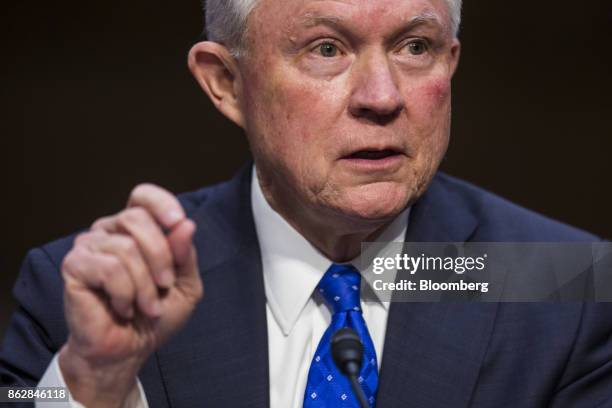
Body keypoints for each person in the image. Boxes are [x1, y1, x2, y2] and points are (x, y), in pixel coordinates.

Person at [1, 0, 611, 407]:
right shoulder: (82, 295)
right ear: (226, 82)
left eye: (415, 47)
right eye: (326, 49)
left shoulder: (565, 285)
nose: (382, 97)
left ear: (451, 63)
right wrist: (89, 381)